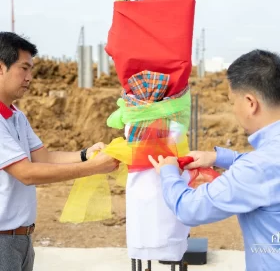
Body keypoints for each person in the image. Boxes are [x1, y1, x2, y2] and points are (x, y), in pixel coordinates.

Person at [148, 49, 280, 271]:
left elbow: (190, 209)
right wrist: (220, 157)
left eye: (232, 102)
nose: (233, 110)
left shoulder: (258, 167)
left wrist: (169, 173)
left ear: (250, 103)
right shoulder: (266, 159)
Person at [0, 32, 119, 271]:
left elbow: (44, 158)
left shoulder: (16, 116)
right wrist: (94, 167)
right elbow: (26, 172)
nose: (29, 78)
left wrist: (87, 154)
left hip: (21, 238)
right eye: (24, 68)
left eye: (31, 70)